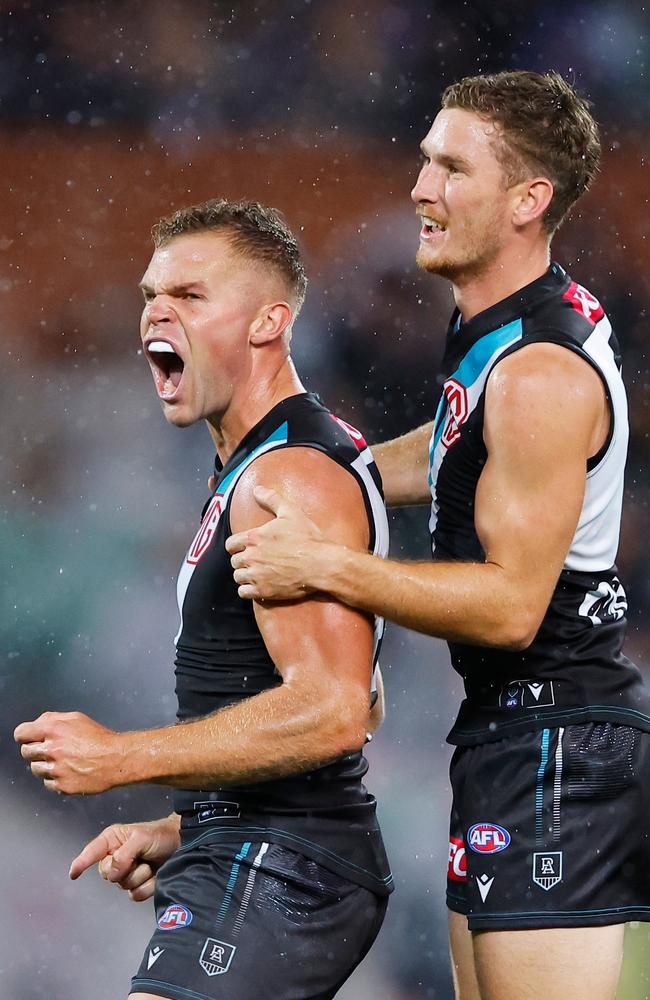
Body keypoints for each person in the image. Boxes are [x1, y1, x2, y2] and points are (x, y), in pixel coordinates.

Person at [225, 71, 650, 1000]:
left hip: (556, 738)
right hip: (515, 730)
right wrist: (339, 478)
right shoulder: (497, 324)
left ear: (528, 201)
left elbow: (506, 607)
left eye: (453, 168)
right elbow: (459, 438)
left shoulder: (540, 372)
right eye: (425, 160)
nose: (420, 187)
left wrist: (328, 563)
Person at [14, 198, 393, 1000]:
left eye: (191, 295)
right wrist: (188, 823)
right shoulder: (258, 464)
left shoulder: (291, 475)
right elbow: (365, 691)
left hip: (284, 862)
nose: (157, 309)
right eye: (151, 293)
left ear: (267, 323)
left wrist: (122, 757)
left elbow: (336, 710)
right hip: (254, 847)